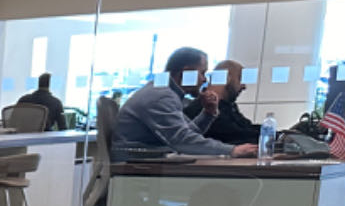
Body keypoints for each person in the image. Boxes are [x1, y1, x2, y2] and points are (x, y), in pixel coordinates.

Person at [111, 47, 256, 160]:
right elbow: (182, 141)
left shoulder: (165, 92)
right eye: (202, 73)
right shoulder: (161, 96)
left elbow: (187, 133)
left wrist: (208, 114)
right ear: (186, 72)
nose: (205, 80)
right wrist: (232, 150)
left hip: (144, 159)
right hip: (134, 164)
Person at [182, 58, 260, 146]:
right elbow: (238, 136)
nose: (244, 86)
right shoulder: (203, 108)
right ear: (227, 78)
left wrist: (269, 131)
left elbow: (248, 128)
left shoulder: (228, 107)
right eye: (240, 79)